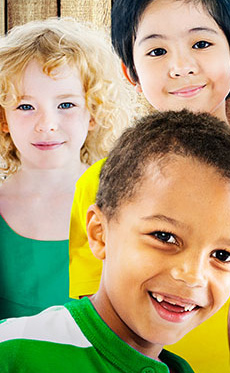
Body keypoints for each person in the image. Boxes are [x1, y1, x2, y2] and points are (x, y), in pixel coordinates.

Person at [66, 0, 230, 373]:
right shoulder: (98, 184)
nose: (181, 66)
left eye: (201, 43)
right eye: (155, 52)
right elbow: (92, 328)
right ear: (130, 72)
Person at [0, 110, 230, 373]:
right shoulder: (11, 356)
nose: (192, 275)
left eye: (223, 256)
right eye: (165, 237)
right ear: (99, 234)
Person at [0, 17, 138, 320]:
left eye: (66, 105)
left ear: (94, 111)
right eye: (25, 106)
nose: (46, 124)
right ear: (3, 118)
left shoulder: (124, 204)